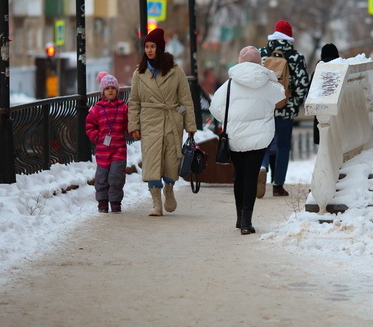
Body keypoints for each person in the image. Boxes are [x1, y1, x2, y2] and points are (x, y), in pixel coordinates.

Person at [210, 46, 285, 234]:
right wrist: (270, 76)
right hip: (260, 137)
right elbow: (281, 94)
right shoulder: (266, 83)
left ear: (239, 62)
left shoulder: (229, 84)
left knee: (240, 176)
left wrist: (232, 119)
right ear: (260, 62)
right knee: (251, 176)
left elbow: (215, 108)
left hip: (235, 136)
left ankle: (239, 218)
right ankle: (246, 222)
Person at [128, 28, 197, 216]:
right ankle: (156, 202)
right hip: (149, 121)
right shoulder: (139, 73)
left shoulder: (175, 71)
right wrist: (134, 125)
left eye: (153, 46)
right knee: (151, 161)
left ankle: (169, 188)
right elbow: (134, 101)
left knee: (171, 160)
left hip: (171, 121)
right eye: (147, 47)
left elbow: (186, 99)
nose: (149, 50)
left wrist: (190, 125)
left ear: (160, 48)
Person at [258, 20, 309, 198]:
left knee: (263, 143)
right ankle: (278, 186)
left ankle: (262, 167)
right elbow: (302, 85)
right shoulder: (296, 56)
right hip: (285, 109)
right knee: (283, 146)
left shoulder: (262, 53)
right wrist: (294, 104)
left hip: (264, 108)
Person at [85, 72, 128, 213]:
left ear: (117, 91)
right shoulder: (97, 109)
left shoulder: (123, 108)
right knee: (102, 176)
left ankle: (115, 202)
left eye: (113, 88)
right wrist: (96, 136)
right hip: (103, 149)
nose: (110, 91)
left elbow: (129, 125)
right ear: (102, 91)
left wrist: (134, 130)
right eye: (107, 88)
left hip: (119, 149)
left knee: (117, 176)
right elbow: (90, 125)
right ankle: (102, 202)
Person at [313, 43, 340, 145]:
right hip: (337, 113)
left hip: (320, 112)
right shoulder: (340, 70)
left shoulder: (318, 70)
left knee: (323, 143)